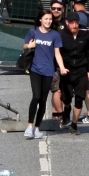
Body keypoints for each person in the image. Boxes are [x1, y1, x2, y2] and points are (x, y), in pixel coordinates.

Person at [23, 9, 68, 139]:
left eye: (50, 19)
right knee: (36, 96)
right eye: (46, 18)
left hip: (49, 70)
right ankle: (30, 125)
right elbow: (24, 45)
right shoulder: (33, 31)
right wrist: (29, 46)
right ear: (40, 20)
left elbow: (57, 53)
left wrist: (62, 67)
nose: (48, 21)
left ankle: (37, 127)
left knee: (43, 100)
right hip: (35, 69)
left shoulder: (55, 35)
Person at [58, 11, 89, 135]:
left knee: (79, 98)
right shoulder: (62, 36)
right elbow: (58, 54)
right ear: (67, 23)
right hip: (66, 71)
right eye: (72, 23)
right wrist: (59, 68)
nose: (74, 25)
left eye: (76, 23)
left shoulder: (84, 36)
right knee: (66, 98)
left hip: (81, 70)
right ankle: (67, 109)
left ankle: (74, 125)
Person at [49, 0, 67, 120]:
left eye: (58, 8)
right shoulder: (47, 22)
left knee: (64, 91)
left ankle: (55, 115)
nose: (56, 10)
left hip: (65, 61)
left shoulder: (66, 23)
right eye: (53, 8)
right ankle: (60, 115)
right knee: (57, 90)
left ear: (63, 9)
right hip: (50, 62)